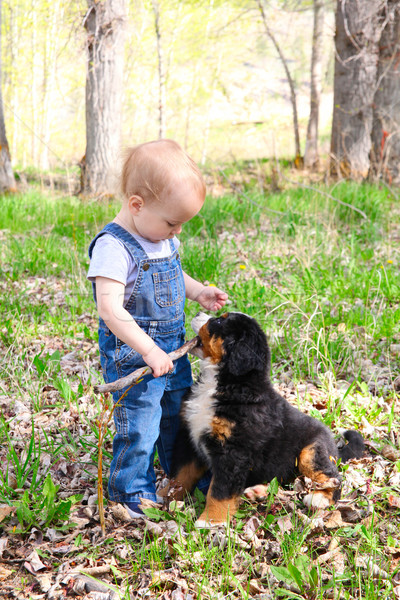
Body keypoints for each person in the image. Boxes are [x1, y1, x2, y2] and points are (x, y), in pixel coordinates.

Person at [87, 139, 227, 518]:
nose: (176, 230)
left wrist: (197, 292)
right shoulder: (114, 247)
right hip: (135, 356)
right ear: (137, 205)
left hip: (170, 352)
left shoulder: (159, 236)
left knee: (178, 414)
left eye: (181, 223)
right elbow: (110, 308)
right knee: (141, 422)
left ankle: (185, 474)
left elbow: (172, 275)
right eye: (171, 222)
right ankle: (130, 489)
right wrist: (148, 350)